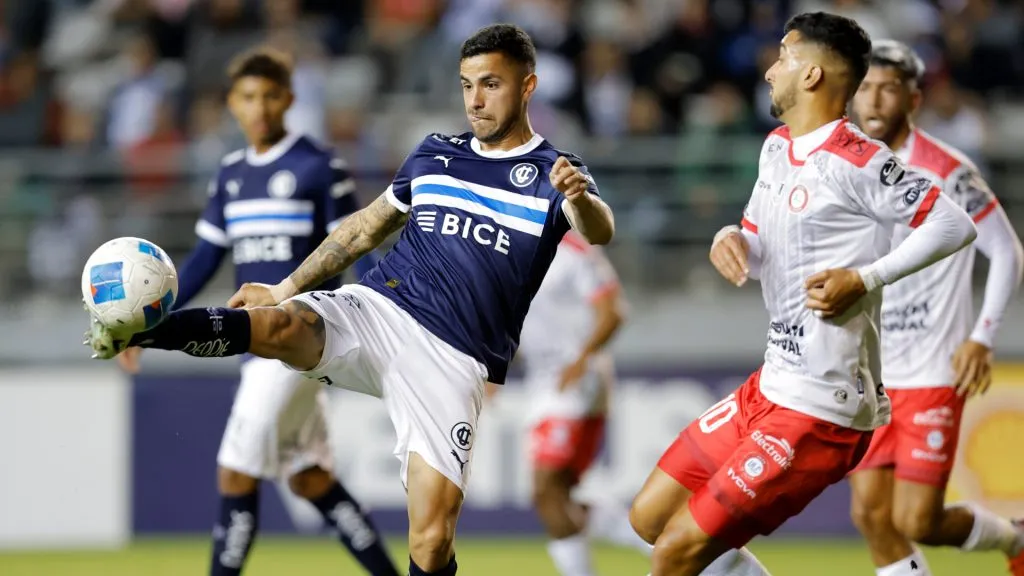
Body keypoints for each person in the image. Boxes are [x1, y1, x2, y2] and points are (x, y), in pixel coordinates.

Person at [86, 24, 615, 576]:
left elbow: (598, 229)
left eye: (490, 84)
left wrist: (578, 199)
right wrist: (285, 287)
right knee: (282, 325)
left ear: (527, 86)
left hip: (454, 357)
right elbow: (362, 230)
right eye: (465, 85)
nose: (475, 101)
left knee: (431, 539)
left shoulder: (555, 173)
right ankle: (144, 329)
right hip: (382, 308)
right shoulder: (435, 154)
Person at [627, 12, 982, 576]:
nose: (770, 70)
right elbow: (758, 233)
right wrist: (731, 238)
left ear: (812, 74)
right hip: (769, 384)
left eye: (784, 56)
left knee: (675, 555)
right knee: (648, 520)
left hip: (822, 406)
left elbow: (954, 225)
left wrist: (865, 279)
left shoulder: (857, 159)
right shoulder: (775, 147)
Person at [116, 48, 397, 576]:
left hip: (300, 335)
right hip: (257, 348)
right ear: (232, 104)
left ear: (288, 99)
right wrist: (148, 322)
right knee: (309, 477)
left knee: (235, 473)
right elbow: (203, 259)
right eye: (248, 97)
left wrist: (386, 310)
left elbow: (356, 245)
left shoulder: (318, 166)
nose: (260, 107)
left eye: (271, 96)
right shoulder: (230, 175)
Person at [847, 40, 1024, 576]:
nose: (874, 101)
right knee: (871, 515)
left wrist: (982, 337)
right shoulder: (846, 165)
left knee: (917, 520)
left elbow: (1006, 251)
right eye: (864, 89)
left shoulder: (947, 170)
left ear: (914, 100)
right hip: (870, 374)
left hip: (931, 368)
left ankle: (1015, 541)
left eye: (888, 89)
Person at [506, 231, 650, 575]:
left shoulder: (572, 251)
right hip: (542, 384)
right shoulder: (512, 251)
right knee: (558, 497)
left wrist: (582, 359)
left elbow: (613, 311)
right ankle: (664, 541)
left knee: (545, 490)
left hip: (576, 382)